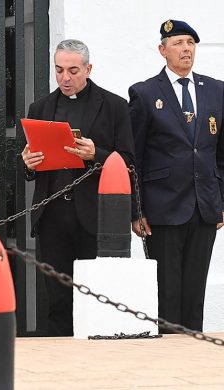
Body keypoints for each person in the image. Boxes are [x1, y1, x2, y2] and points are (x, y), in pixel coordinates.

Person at [21, 39, 135, 336]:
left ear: (88, 68)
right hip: (53, 217)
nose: (65, 78)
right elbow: (30, 163)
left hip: (94, 216)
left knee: (94, 295)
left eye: (73, 70)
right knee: (57, 297)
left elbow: (130, 161)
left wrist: (94, 154)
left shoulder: (114, 106)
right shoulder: (40, 106)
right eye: (59, 70)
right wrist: (27, 162)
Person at [129, 20, 224, 332]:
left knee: (195, 293)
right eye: (178, 43)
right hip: (163, 209)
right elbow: (135, 158)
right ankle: (168, 363)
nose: (186, 49)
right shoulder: (144, 94)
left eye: (190, 43)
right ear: (162, 50)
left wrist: (220, 199)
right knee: (167, 295)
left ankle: (192, 360)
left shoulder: (215, 90)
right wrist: (136, 209)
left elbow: (220, 154)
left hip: (204, 206)